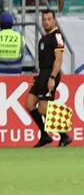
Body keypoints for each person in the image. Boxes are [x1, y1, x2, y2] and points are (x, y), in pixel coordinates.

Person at [25, 10, 72, 147]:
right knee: (29, 104)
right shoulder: (43, 39)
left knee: (43, 108)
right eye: (44, 19)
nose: (46, 21)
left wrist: (52, 77)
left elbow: (58, 59)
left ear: (54, 20)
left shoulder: (57, 36)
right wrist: (40, 76)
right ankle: (45, 136)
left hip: (50, 75)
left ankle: (64, 136)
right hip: (42, 75)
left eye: (49, 19)